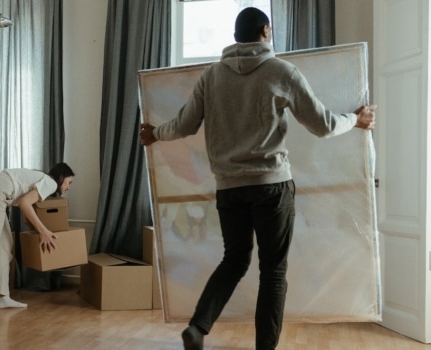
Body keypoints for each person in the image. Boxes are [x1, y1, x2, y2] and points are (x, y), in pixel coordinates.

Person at [139, 7, 376, 350]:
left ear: (235, 37)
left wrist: (155, 133)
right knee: (274, 273)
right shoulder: (281, 72)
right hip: (271, 187)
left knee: (234, 260)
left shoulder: (211, 76)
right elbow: (322, 125)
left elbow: (185, 124)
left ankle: (198, 327)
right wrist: (355, 120)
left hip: (229, 188)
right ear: (266, 30)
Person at [0, 163, 75, 313]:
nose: (68, 187)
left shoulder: (40, 179)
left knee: (4, 246)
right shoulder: (50, 183)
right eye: (69, 182)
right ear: (61, 177)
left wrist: (37, 231)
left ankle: (1, 296)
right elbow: (25, 204)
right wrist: (44, 231)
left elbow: (26, 212)